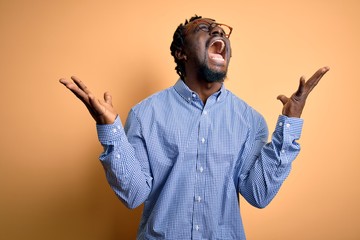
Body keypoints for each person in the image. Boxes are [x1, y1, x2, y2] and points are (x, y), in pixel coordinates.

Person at [59, 15, 329, 240]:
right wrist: (111, 131)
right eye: (203, 28)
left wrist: (290, 124)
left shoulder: (250, 120)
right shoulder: (145, 115)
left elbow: (258, 194)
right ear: (181, 53)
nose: (216, 30)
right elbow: (133, 195)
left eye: (221, 30)